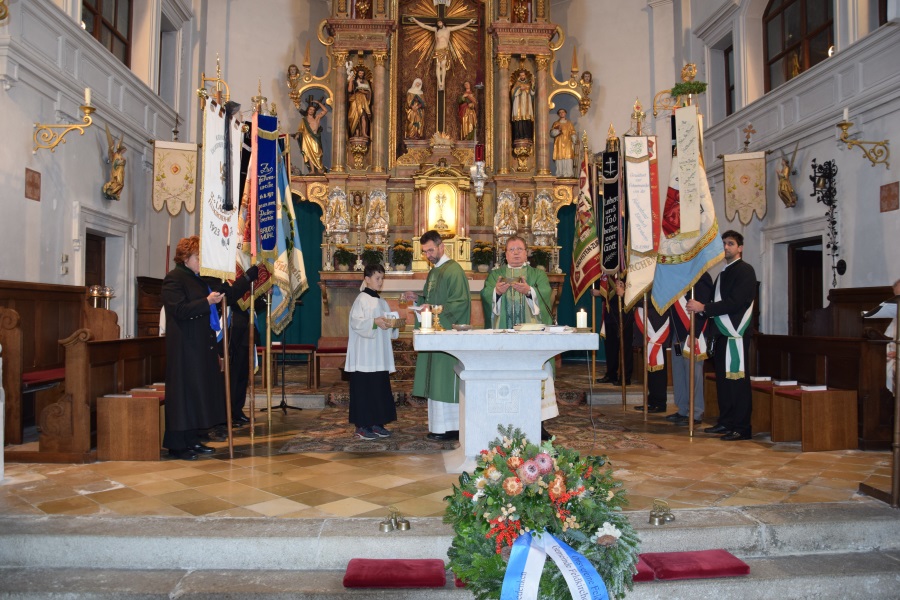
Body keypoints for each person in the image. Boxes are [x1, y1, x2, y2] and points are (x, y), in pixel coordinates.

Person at [161, 236, 259, 460]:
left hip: (199, 345)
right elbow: (180, 310)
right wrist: (207, 302)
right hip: (185, 347)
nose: (201, 261)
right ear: (185, 258)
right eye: (198, 257)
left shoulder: (195, 278)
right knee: (184, 395)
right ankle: (178, 444)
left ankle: (193, 440)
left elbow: (227, 295)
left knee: (196, 394)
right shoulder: (174, 279)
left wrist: (245, 279)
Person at [481, 235, 556, 440]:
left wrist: (530, 292)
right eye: (511, 249)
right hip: (503, 339)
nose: (515, 253)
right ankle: (502, 423)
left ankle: (537, 424)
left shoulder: (536, 275)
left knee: (535, 378)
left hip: (532, 340)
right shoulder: (496, 274)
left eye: (519, 249)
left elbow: (546, 293)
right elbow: (485, 296)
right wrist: (496, 292)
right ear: (505, 254)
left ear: (526, 253)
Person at [687, 230, 757, 441]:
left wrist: (703, 307)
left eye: (731, 243)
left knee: (737, 382)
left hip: (736, 333)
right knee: (723, 382)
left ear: (740, 248)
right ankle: (726, 421)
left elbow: (735, 303)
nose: (726, 247)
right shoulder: (723, 273)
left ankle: (742, 427)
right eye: (724, 243)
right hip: (720, 334)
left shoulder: (746, 271)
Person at [403, 230, 470, 441]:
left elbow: (459, 303)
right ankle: (439, 427)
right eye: (424, 252)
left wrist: (432, 308)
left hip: (448, 334)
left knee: (445, 379)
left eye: (431, 250)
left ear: (442, 247)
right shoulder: (434, 272)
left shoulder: (454, 270)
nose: (428, 255)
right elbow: (430, 298)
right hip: (435, 333)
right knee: (435, 381)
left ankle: (452, 428)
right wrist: (418, 298)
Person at [346, 263, 399, 439]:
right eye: (377, 278)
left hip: (379, 355)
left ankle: (377, 423)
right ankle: (362, 426)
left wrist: (394, 324)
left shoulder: (382, 302)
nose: (380, 281)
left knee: (378, 389)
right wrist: (374, 322)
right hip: (364, 355)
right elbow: (356, 323)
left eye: (382, 278)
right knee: (364, 390)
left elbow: (389, 328)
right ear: (367, 279)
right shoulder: (361, 300)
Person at [664, 271, 714, 425]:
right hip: (677, 334)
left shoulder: (701, 276)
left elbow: (703, 308)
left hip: (693, 333)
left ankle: (696, 411)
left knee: (693, 374)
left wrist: (695, 333)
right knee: (679, 373)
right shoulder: (676, 277)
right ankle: (683, 409)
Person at [409, 17, 477, 91]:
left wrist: (469, 22)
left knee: (443, 65)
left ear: (443, 22)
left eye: (440, 22)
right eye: (438, 23)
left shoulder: (448, 29)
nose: (439, 24)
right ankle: (439, 82)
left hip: (444, 49)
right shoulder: (436, 30)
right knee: (438, 65)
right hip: (438, 49)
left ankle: (442, 82)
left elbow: (459, 26)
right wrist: (415, 20)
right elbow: (425, 26)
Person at [591, 276, 633, 386]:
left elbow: (627, 291)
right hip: (610, 312)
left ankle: (625, 377)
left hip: (624, 312)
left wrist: (601, 293)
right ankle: (611, 374)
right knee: (610, 346)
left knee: (625, 347)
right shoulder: (605, 273)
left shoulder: (625, 271)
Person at [294, 99, 328, 174]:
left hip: (315, 137)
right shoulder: (304, 120)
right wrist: (297, 135)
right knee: (309, 154)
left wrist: (318, 103)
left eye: (313, 110)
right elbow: (300, 129)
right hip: (307, 138)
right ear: (308, 110)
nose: (311, 111)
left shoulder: (317, 118)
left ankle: (319, 168)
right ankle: (312, 170)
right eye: (310, 109)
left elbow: (325, 110)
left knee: (318, 153)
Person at [550, 108, 577, 178]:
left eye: (563, 112)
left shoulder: (569, 123)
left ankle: (568, 173)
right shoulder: (556, 123)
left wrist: (574, 138)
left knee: (568, 157)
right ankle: (560, 173)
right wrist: (557, 131)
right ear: (558, 114)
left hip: (568, 142)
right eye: (560, 112)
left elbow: (573, 132)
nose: (562, 113)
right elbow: (552, 133)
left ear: (565, 113)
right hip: (559, 143)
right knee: (559, 157)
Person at [346, 66, 372, 139]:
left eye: (362, 73)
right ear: (357, 73)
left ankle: (363, 133)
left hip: (363, 100)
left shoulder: (366, 82)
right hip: (355, 99)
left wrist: (363, 91)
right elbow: (349, 90)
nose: (361, 74)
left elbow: (369, 92)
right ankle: (356, 133)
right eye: (360, 73)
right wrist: (351, 81)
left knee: (363, 116)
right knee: (355, 116)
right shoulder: (354, 81)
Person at [510, 69, 534, 141]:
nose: (522, 76)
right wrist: (520, 89)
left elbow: (532, 94)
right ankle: (518, 136)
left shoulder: (528, 84)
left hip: (526, 104)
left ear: (525, 76)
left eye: (523, 75)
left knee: (527, 119)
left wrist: (532, 85)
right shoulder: (517, 84)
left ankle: (527, 135)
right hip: (518, 104)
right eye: (520, 75)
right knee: (519, 119)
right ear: (519, 76)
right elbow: (512, 93)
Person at [885, 278, 900, 394]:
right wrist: (886, 352)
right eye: (896, 297)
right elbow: (887, 339)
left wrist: (898, 353)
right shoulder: (896, 317)